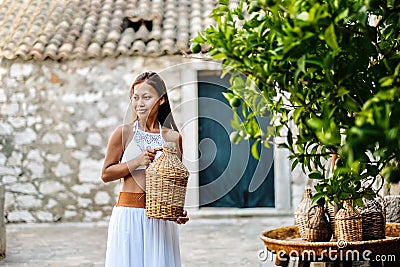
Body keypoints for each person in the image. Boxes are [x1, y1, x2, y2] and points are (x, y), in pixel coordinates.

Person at [101, 71, 189, 267]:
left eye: (146, 97)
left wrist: (178, 212)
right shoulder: (123, 133)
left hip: (160, 220)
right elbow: (106, 174)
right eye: (135, 97)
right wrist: (137, 161)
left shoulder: (173, 138)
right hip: (128, 216)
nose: (139, 103)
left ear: (161, 100)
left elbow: (174, 184)